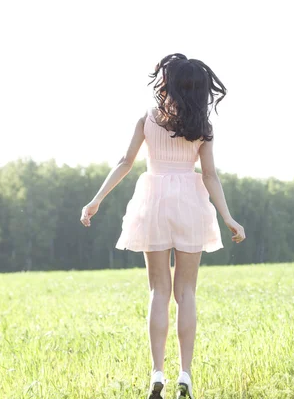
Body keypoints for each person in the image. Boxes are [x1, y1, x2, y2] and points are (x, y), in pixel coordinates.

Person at [80, 53, 246, 399]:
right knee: (186, 293)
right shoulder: (202, 127)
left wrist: (96, 199)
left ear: (167, 83)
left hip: (153, 199)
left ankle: (158, 371)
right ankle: (184, 374)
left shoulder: (149, 119)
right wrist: (228, 217)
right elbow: (211, 176)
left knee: (158, 290)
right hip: (190, 201)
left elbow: (125, 162)